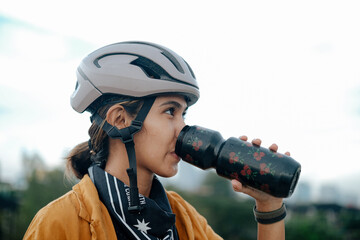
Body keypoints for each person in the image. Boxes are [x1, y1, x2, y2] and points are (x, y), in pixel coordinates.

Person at [23, 41, 288, 239]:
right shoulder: (59, 223)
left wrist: (269, 206)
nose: (183, 128)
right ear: (120, 119)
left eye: (184, 114)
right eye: (170, 111)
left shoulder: (185, 219)